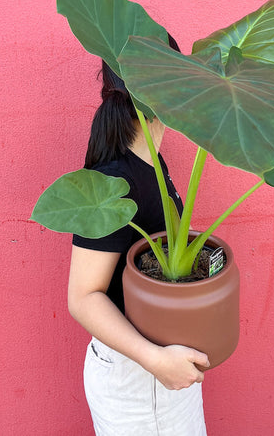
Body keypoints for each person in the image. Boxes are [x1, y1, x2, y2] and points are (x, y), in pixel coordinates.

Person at [67, 35, 209, 435]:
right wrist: (154, 359)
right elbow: (83, 297)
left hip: (160, 367)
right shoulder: (116, 180)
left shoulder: (151, 159)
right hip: (140, 375)